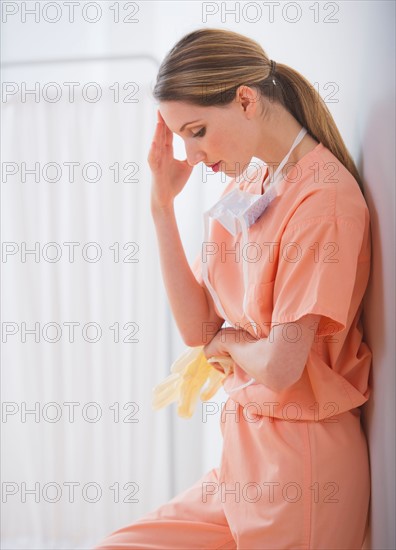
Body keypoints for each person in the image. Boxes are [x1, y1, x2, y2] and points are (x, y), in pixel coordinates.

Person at [93, 28, 372, 550]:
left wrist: (228, 344)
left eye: (196, 131)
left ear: (246, 99)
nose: (192, 155)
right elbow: (200, 328)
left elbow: (283, 367)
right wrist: (161, 207)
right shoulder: (251, 185)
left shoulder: (324, 203)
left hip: (299, 471)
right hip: (241, 460)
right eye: (181, 138)